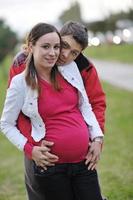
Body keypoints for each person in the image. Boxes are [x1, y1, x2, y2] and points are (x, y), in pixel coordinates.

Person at [1, 22, 104, 200]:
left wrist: (97, 138)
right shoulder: (21, 68)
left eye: (74, 52)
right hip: (46, 158)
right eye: (62, 46)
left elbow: (90, 104)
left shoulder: (77, 67)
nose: (62, 54)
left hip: (82, 161)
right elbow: (14, 117)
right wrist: (31, 146)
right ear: (32, 46)